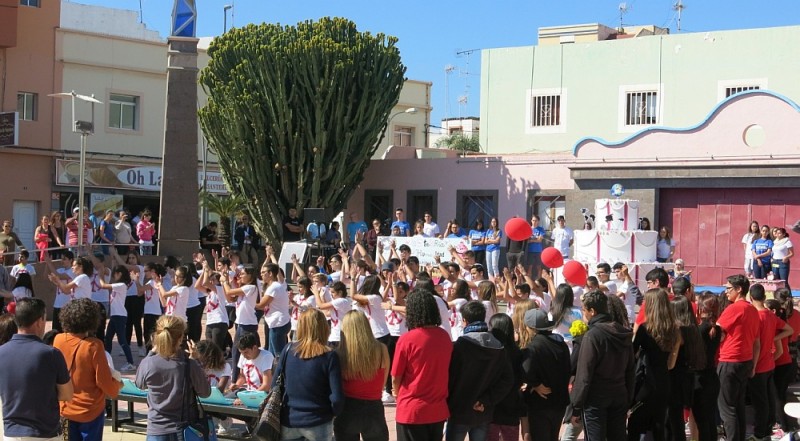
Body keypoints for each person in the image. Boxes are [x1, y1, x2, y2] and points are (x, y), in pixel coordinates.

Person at [0, 298, 73, 439]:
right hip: (45, 433)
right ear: (40, 321)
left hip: (11, 433)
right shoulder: (51, 354)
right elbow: (67, 394)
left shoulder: (1, 352)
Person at [54, 298, 123, 440]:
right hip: (90, 410)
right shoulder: (94, 345)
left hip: (65, 408)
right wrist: (117, 386)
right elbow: (103, 381)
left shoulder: (59, 339)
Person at [570, 290, 634, 441]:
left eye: (584, 310)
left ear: (592, 311)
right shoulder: (624, 333)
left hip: (596, 399)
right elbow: (630, 370)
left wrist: (576, 407)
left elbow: (584, 375)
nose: (583, 314)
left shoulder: (592, 335)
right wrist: (628, 399)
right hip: (619, 395)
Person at [136, 315, 211, 440]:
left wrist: (152, 351)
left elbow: (139, 384)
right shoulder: (189, 365)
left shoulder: (148, 363)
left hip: (156, 429)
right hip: (183, 430)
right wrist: (197, 361)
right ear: (181, 338)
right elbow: (205, 392)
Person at [272, 309, 344, 440]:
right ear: (324, 328)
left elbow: (274, 386)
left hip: (290, 418)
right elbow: (337, 397)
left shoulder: (288, 350)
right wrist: (333, 413)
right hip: (318, 419)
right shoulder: (329, 355)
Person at [446, 301, 513, 441]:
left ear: (464, 320)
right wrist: (486, 400)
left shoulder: (460, 346)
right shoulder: (498, 347)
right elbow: (507, 380)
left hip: (459, 410)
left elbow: (450, 378)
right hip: (483, 410)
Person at [393, 288, 453, 441]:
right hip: (437, 410)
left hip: (412, 409)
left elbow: (396, 376)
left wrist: (396, 393)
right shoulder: (444, 336)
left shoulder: (407, 339)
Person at [628, 288, 682, 441]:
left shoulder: (645, 328)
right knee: (659, 422)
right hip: (663, 379)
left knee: (635, 422)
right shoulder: (673, 328)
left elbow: (631, 353)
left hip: (645, 380)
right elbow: (671, 362)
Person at [716, 275, 760, 441]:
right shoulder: (752, 310)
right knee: (738, 407)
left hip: (730, 361)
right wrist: (753, 365)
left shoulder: (734, 309)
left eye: (728, 288)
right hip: (745, 362)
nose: (726, 292)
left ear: (739, 289)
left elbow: (717, 333)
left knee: (727, 410)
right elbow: (757, 342)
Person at [334, 310, 390, 441]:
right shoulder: (382, 349)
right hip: (374, 408)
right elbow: (383, 381)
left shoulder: (339, 354)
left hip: (347, 409)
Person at [748, 284, 792, 441]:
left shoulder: (755, 316)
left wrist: (752, 366)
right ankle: (767, 428)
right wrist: (773, 338)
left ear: (751, 297)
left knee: (760, 401)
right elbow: (789, 330)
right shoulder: (771, 316)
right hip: (769, 364)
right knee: (768, 399)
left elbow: (756, 345)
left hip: (758, 365)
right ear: (764, 297)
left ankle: (760, 432)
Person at [521, 308, 571, 441]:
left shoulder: (533, 346)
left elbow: (526, 371)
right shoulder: (561, 344)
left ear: (531, 328)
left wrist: (536, 384)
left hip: (540, 403)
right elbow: (568, 368)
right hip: (560, 400)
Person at [486, 313, 526, 441]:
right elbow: (520, 378)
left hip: (490, 406)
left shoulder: (490, 351)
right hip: (511, 406)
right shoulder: (518, 352)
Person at [256, 262, 291, 358]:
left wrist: (248, 302)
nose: (261, 275)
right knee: (271, 354)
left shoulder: (274, 287)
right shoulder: (274, 286)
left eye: (264, 272)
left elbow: (261, 305)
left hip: (278, 324)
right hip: (277, 323)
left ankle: (281, 372)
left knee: (278, 355)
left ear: (270, 274)